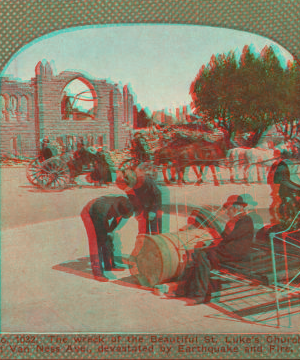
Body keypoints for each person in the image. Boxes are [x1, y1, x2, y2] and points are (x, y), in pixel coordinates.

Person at [175, 195, 254, 304]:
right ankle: (190, 290)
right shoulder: (235, 221)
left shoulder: (245, 220)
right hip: (228, 250)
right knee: (200, 254)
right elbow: (223, 238)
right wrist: (210, 244)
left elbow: (229, 237)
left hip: (236, 252)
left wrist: (211, 246)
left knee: (201, 255)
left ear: (235, 208)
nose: (226, 212)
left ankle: (199, 293)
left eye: (228, 209)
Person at [89, 196, 134, 276]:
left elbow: (116, 221)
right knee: (101, 240)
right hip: (96, 213)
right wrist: (107, 232)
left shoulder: (123, 206)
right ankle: (99, 268)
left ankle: (109, 265)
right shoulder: (102, 209)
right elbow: (102, 226)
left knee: (109, 239)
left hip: (107, 212)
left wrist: (112, 231)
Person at [123, 169, 162, 234]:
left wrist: (153, 210)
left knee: (154, 227)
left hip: (153, 204)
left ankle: (156, 239)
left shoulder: (147, 182)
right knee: (143, 227)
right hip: (143, 205)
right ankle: (145, 239)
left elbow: (157, 195)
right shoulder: (131, 183)